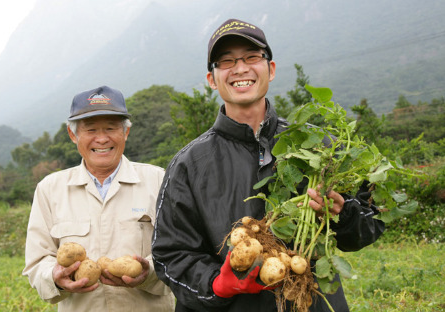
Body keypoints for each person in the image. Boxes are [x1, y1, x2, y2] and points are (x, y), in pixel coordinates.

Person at [151, 18, 385, 312]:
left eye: (251, 57)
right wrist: (217, 284)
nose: (240, 68)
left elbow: (371, 222)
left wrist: (344, 212)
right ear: (212, 79)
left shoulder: (320, 145)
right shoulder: (188, 164)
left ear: (270, 69)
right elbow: (169, 255)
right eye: (226, 62)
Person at [23, 85, 175, 312]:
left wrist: (148, 273)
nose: (102, 139)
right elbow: (37, 262)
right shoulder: (50, 189)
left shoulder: (159, 180)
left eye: (111, 128)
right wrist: (55, 277)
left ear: (126, 132)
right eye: (91, 130)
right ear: (73, 135)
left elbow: (179, 252)